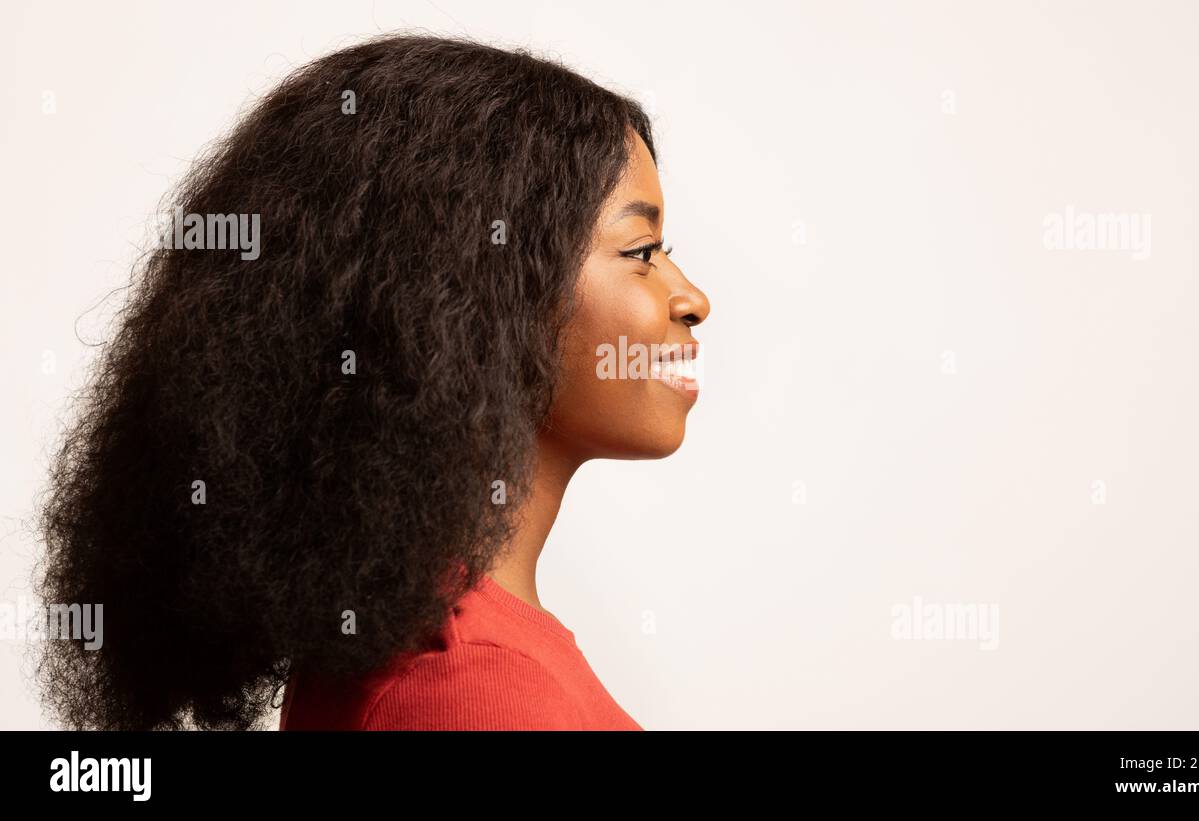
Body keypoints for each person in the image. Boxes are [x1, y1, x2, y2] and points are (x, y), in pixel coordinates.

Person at [36, 33, 710, 731]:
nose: (693, 298)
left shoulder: (448, 650)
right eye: (641, 252)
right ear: (474, 293)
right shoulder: (473, 692)